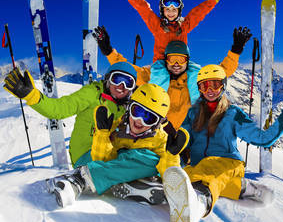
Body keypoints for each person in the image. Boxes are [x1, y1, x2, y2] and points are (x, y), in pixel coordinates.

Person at [162, 64, 283, 222]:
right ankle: (243, 188)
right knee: (191, 174)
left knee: (207, 172)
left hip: (228, 163)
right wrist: (176, 144)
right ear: (199, 88)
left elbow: (263, 138)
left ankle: (199, 203)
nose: (210, 90)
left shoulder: (232, 114)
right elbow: (185, 139)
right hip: (200, 166)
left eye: (215, 85)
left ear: (223, 85)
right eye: (204, 85)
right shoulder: (193, 113)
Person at [45, 83, 189, 208]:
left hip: (142, 172)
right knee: (126, 156)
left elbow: (170, 176)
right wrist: (102, 135)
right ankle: (90, 179)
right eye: (137, 111)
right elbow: (101, 160)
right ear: (129, 108)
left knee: (152, 160)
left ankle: (85, 178)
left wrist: (171, 155)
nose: (139, 121)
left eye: (149, 118)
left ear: (157, 123)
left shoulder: (162, 139)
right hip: (115, 169)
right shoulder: (115, 128)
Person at [95, 25, 251, 128]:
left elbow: (222, 71)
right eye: (172, 59)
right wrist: (108, 50)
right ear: (166, 60)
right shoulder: (153, 74)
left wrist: (235, 50)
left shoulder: (196, 77)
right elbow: (127, 69)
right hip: (158, 131)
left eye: (181, 59)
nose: (176, 64)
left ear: (187, 61)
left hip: (187, 133)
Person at [3, 60, 137, 167]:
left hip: (109, 153)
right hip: (86, 155)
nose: (121, 86)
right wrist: (32, 96)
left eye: (128, 83)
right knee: (123, 164)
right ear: (108, 79)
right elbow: (59, 109)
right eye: (117, 79)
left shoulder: (128, 107)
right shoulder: (93, 94)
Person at [115, 0, 223, 62]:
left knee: (194, 71)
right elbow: (143, 9)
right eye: (167, 9)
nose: (171, 13)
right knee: (160, 75)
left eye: (174, 10)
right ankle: (158, 88)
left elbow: (198, 13)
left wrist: (212, 1)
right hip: (161, 63)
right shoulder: (157, 26)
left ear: (179, 11)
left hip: (180, 63)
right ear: (162, 11)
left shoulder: (184, 26)